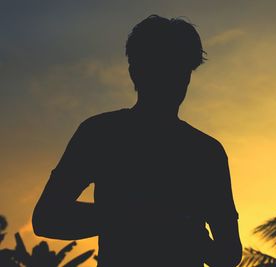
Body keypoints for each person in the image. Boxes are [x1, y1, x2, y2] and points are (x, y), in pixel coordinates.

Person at [32, 15, 242, 267]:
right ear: (136, 72)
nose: (173, 80)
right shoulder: (100, 135)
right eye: (161, 68)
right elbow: (46, 218)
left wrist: (190, 238)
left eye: (181, 70)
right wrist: (134, 215)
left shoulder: (207, 152)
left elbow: (229, 254)